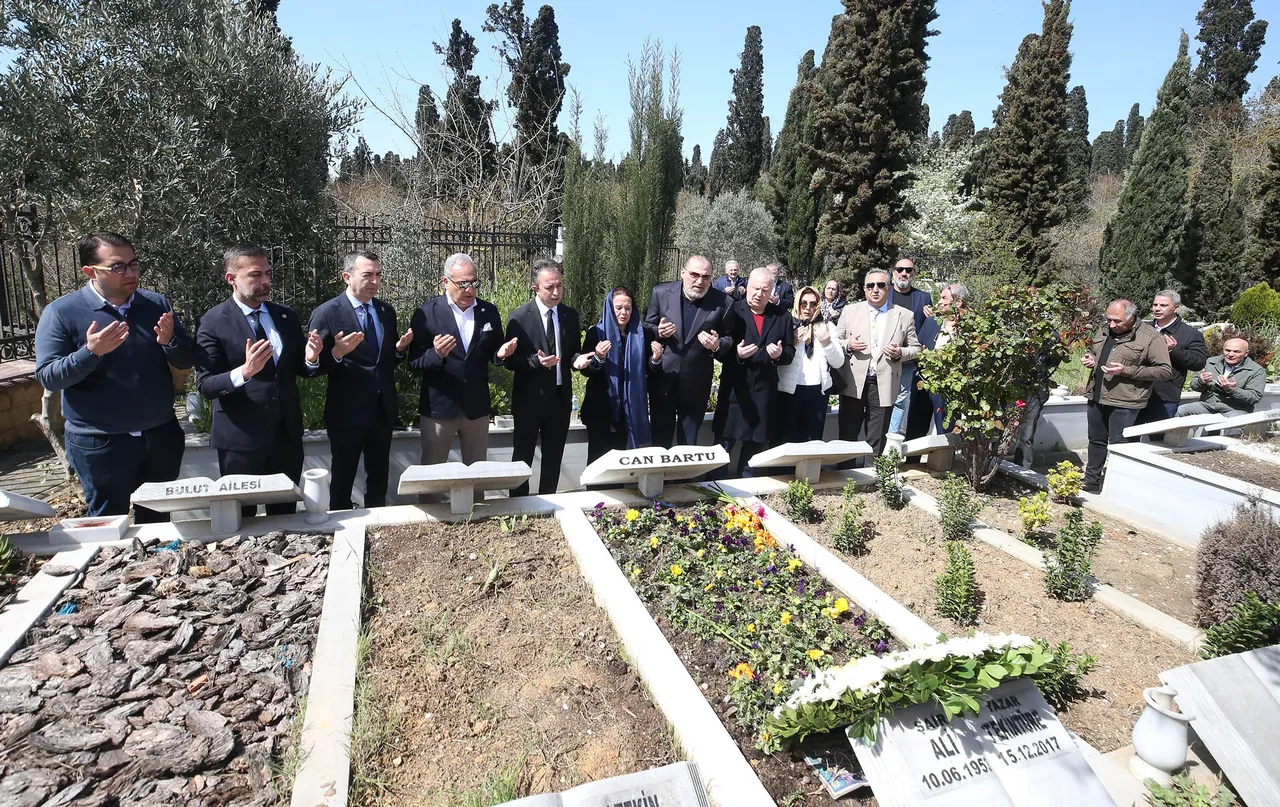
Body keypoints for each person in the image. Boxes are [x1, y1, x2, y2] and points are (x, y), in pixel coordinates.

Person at [34, 232, 195, 521]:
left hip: (160, 435)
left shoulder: (156, 304)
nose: (130, 273)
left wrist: (171, 342)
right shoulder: (61, 313)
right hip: (99, 443)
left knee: (159, 520)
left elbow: (185, 360)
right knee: (108, 524)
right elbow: (49, 377)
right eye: (118, 267)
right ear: (90, 271)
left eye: (134, 264)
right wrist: (91, 352)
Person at [196, 245, 323, 517]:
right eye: (256, 275)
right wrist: (244, 371)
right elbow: (206, 385)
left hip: (285, 435)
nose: (265, 281)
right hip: (241, 439)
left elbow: (299, 368)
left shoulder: (284, 316)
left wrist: (311, 357)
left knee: (285, 512)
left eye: (267, 273)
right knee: (243, 517)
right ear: (231, 279)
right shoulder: (214, 321)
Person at [307, 251, 414, 510]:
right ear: (347, 277)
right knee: (343, 476)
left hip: (382, 410)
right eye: (367, 275)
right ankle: (340, 521)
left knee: (378, 475)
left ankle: (376, 520)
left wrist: (398, 350)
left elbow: (384, 361)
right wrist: (335, 353)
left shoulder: (386, 311)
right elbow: (311, 368)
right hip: (347, 412)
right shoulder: (327, 313)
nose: (375, 281)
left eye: (378, 275)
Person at [409, 253, 519, 472]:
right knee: (432, 476)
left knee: (478, 475)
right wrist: (436, 354)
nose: (470, 289)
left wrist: (501, 354)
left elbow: (494, 351)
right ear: (445, 282)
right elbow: (414, 361)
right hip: (440, 409)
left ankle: (477, 509)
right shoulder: (426, 313)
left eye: (473, 282)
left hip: (476, 409)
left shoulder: (488, 312)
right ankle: (432, 509)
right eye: (463, 284)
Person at [505, 258, 584, 496]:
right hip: (530, 398)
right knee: (522, 456)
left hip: (559, 399)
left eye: (559, 285)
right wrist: (535, 362)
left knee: (554, 455)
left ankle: (548, 501)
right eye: (549, 287)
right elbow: (510, 361)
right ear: (535, 288)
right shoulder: (519, 317)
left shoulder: (569, 315)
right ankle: (518, 504)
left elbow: (572, 352)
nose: (556, 292)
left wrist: (577, 360)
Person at [1080, 300, 1172, 493]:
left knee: (1119, 445)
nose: (1112, 325)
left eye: (1117, 321)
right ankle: (1091, 481)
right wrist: (1090, 358)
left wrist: (1126, 371)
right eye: (1109, 319)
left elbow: (1164, 371)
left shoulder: (1150, 337)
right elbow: (1094, 350)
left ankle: (1118, 488)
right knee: (1095, 440)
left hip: (1126, 401)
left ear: (1131, 317)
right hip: (1097, 395)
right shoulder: (1104, 330)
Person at [713, 267, 795, 476]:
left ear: (772, 292)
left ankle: (747, 499)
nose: (759, 294)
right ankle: (714, 497)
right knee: (722, 451)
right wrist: (737, 354)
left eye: (764, 290)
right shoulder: (732, 310)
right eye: (755, 288)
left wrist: (778, 355)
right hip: (735, 392)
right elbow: (719, 349)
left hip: (763, 394)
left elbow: (789, 352)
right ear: (747, 287)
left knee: (752, 455)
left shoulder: (782, 317)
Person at [833, 269, 921, 458]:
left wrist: (900, 353)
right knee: (847, 435)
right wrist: (848, 344)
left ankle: (871, 478)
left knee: (877, 438)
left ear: (888, 288)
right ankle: (844, 477)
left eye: (881, 285)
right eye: (870, 285)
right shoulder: (850, 311)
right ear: (864, 289)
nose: (875, 289)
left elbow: (916, 348)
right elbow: (834, 342)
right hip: (853, 382)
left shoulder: (904, 315)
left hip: (884, 384)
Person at [644, 255, 728, 447]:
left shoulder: (722, 301)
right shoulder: (661, 292)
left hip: (696, 384)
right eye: (694, 274)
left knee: (689, 442)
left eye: (706, 277)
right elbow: (648, 326)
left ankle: (684, 478)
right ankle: (660, 477)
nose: (699, 281)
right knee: (660, 439)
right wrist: (659, 332)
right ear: (683, 273)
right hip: (664, 379)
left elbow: (729, 337)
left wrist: (716, 344)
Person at [578, 286, 658, 462]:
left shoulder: (642, 335)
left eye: (628, 308)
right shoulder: (596, 333)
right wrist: (598, 357)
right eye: (618, 308)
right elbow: (586, 371)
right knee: (598, 460)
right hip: (601, 410)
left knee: (621, 460)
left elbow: (649, 371)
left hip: (629, 409)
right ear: (609, 308)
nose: (623, 313)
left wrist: (656, 359)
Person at [776, 286, 844, 444]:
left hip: (817, 392)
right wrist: (791, 342)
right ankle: (782, 470)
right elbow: (777, 358)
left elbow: (838, 362)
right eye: (803, 303)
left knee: (812, 441)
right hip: (789, 391)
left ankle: (808, 470)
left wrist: (827, 343)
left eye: (813, 304)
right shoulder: (786, 324)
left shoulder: (827, 326)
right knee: (785, 439)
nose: (808, 308)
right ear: (797, 303)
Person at [910, 283, 969, 438]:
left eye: (944, 298)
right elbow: (919, 348)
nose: (939, 302)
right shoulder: (932, 322)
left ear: (958, 302)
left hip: (950, 388)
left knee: (946, 432)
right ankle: (911, 462)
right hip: (924, 383)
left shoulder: (969, 328)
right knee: (915, 430)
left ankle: (944, 461)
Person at [1138, 289, 1207, 423]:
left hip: (1164, 396)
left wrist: (1174, 350)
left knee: (1160, 441)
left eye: (1163, 305)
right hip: (1135, 393)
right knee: (1128, 437)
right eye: (1155, 305)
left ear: (1176, 308)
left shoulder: (1190, 334)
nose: (1157, 309)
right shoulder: (1142, 329)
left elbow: (1198, 362)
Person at [887, 258, 932, 436]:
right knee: (882, 402)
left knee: (901, 401)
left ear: (913, 273)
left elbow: (929, 327)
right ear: (894, 272)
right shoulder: (884, 292)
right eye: (900, 269)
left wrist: (934, 316)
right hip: (886, 358)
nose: (904, 273)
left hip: (910, 360)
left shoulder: (923, 297)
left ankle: (893, 439)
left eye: (908, 270)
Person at [1177, 338, 1265, 418]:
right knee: (1178, 412)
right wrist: (1201, 381)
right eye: (1227, 350)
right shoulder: (1211, 362)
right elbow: (1194, 385)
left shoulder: (1256, 370)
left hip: (1235, 409)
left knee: (1232, 422)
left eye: (1236, 352)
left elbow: (1254, 397)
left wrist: (1232, 390)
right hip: (1208, 405)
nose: (1231, 354)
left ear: (1246, 354)